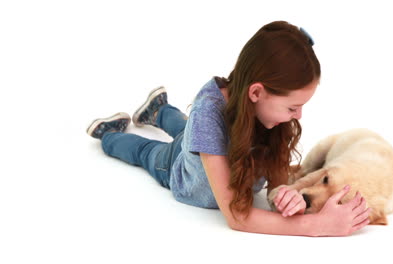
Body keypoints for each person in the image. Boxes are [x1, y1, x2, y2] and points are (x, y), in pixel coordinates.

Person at [86, 21, 370, 237]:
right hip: (177, 169)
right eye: (292, 107)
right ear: (257, 93)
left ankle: (158, 110)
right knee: (147, 150)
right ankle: (109, 134)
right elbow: (237, 217)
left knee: (187, 130)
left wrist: (287, 195)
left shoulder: (271, 117)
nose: (299, 115)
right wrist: (317, 225)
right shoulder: (208, 114)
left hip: (203, 144)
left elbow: (276, 183)